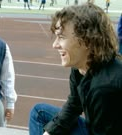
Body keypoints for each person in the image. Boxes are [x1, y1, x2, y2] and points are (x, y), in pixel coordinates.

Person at [29, 3, 122, 135]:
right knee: (39, 112)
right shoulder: (81, 67)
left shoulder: (105, 87)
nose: (54, 45)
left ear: (87, 40)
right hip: (95, 127)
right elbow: (74, 104)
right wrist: (49, 132)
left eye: (61, 37)